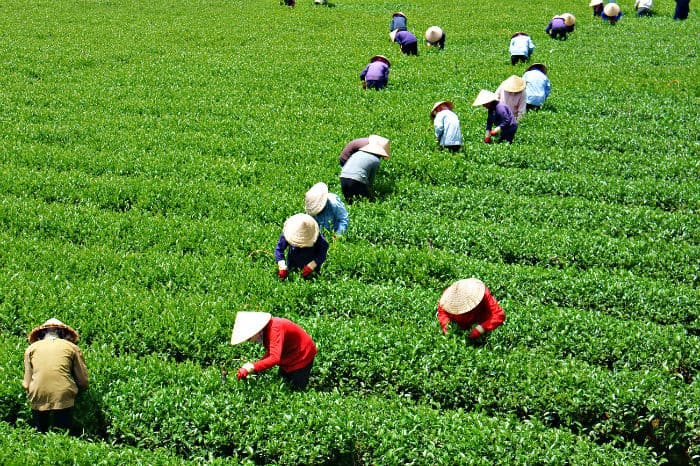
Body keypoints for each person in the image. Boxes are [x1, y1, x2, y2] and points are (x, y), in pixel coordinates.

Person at [22, 318, 89, 433]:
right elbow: (83, 381)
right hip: (64, 395)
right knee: (63, 432)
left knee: (40, 433)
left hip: (38, 395)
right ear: (62, 333)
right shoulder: (72, 348)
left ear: (42, 334)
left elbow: (26, 384)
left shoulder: (31, 349)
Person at [231, 312, 317, 390]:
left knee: (296, 389)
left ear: (255, 331)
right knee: (283, 382)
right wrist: (255, 369)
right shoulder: (266, 331)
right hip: (287, 355)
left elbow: (274, 358)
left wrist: (253, 367)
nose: (250, 341)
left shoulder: (274, 328)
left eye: (249, 338)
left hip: (302, 355)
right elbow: (271, 351)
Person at [436, 278, 506, 339]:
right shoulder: (447, 298)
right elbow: (442, 313)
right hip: (460, 326)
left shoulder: (483, 293)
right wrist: (447, 327)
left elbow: (499, 315)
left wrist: (481, 328)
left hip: (482, 324)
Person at [339, 135, 391, 204]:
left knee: (349, 203)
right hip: (357, 180)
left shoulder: (358, 153)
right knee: (369, 202)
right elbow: (370, 181)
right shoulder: (376, 160)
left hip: (343, 177)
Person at [275, 213, 328, 280]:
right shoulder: (289, 233)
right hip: (292, 264)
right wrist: (281, 265)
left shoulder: (317, 237)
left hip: (312, 268)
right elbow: (279, 249)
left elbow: (322, 253)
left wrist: (312, 265)